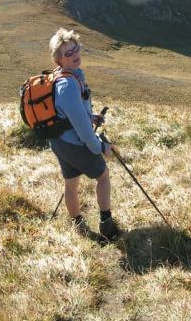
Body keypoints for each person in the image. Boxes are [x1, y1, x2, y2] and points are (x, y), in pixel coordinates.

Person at [47, 27, 120, 241]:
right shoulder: (68, 85)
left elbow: (70, 113)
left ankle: (78, 225)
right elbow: (83, 132)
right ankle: (107, 227)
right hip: (74, 144)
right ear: (59, 59)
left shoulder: (62, 76)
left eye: (76, 48)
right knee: (103, 176)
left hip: (60, 142)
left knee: (71, 183)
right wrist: (100, 147)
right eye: (68, 53)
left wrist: (90, 116)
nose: (75, 54)